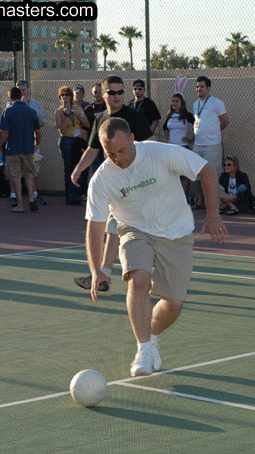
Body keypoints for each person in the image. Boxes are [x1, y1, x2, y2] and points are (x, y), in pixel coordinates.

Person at [85, 117, 227, 376]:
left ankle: (150, 337)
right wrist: (96, 269)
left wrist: (214, 213)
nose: (117, 158)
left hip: (176, 231)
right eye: (110, 153)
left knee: (173, 303)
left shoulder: (161, 153)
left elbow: (206, 169)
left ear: (131, 139)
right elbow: (95, 226)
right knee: (138, 280)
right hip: (134, 229)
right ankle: (142, 349)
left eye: (121, 150)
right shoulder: (102, 179)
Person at [71, 75, 155, 293]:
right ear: (102, 94)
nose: (117, 96)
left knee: (122, 228)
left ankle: (112, 274)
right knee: (113, 228)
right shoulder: (100, 119)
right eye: (112, 92)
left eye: (120, 92)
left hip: (137, 183)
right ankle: (104, 275)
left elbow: (151, 145)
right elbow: (93, 149)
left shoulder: (133, 117)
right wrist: (79, 169)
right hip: (117, 184)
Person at [0, 87, 41, 213]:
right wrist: (36, 143)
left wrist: (0, 145)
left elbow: (5, 132)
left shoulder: (8, 111)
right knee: (29, 174)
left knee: (15, 176)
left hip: (13, 149)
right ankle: (31, 199)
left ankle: (20, 204)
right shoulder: (31, 111)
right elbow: (37, 131)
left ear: (10, 98)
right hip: (27, 148)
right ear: (21, 96)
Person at [5, 80, 47, 208]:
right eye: (19, 89)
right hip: (15, 144)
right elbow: (7, 127)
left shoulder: (35, 105)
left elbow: (42, 122)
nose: (22, 91)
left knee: (31, 171)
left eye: (24, 89)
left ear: (28, 90)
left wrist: (30, 127)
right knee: (14, 172)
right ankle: (14, 197)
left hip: (30, 144)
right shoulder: (9, 106)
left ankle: (33, 196)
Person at [192, 76, 229, 209]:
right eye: (197, 86)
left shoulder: (216, 103)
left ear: (208, 88)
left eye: (201, 86)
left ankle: (217, 203)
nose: (199, 89)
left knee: (213, 175)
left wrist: (214, 134)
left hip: (212, 145)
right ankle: (201, 201)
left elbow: (225, 121)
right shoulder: (195, 104)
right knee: (197, 175)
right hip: (198, 145)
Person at [55, 86, 90, 205]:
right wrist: (65, 115)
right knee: (69, 168)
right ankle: (70, 197)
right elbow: (62, 131)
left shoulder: (78, 108)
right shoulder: (59, 111)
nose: (65, 97)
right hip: (67, 141)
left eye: (67, 95)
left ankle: (78, 194)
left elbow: (87, 124)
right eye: (62, 95)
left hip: (78, 141)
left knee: (79, 168)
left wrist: (76, 114)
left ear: (71, 97)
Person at [162, 92, 195, 198]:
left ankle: (184, 200)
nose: (174, 103)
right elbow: (165, 128)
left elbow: (197, 124)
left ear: (182, 103)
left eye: (177, 101)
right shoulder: (169, 115)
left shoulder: (186, 115)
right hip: (171, 148)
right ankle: (174, 199)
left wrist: (191, 139)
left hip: (183, 147)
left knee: (184, 176)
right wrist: (167, 138)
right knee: (172, 175)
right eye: (173, 101)